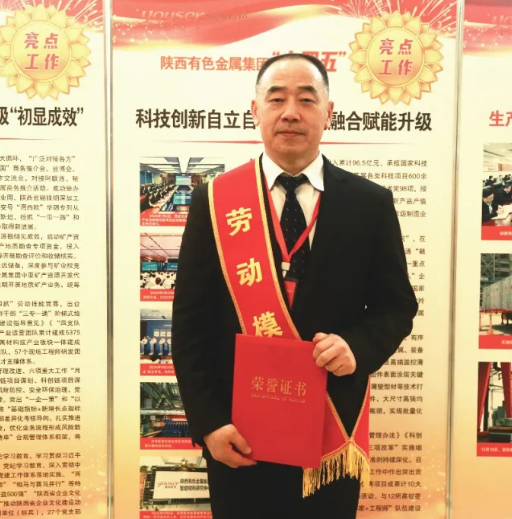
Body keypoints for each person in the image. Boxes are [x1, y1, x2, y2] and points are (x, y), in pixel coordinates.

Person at [171, 53, 417, 519]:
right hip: (239, 433)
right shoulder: (216, 200)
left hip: (329, 426)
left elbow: (396, 306)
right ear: (255, 110)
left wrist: (357, 347)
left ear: (328, 112)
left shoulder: (369, 203)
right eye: (276, 99)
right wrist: (208, 423)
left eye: (306, 100)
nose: (290, 113)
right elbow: (189, 325)